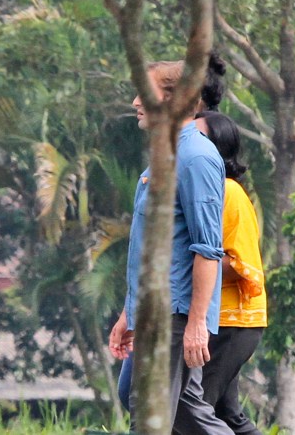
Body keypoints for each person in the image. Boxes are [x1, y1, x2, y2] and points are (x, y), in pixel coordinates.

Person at [108, 60, 233, 434]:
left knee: (150, 414)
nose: (135, 101)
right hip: (152, 309)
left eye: (145, 93)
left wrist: (196, 325)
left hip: (175, 314)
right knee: (173, 407)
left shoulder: (195, 157)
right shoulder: (165, 154)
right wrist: (129, 312)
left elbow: (208, 249)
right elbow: (154, 245)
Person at [174, 111, 266, 435]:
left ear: (216, 147)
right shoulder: (204, 187)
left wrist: (190, 267)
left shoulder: (230, 192)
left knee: (193, 412)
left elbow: (243, 265)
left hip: (234, 322)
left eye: (197, 136)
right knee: (228, 416)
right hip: (217, 319)